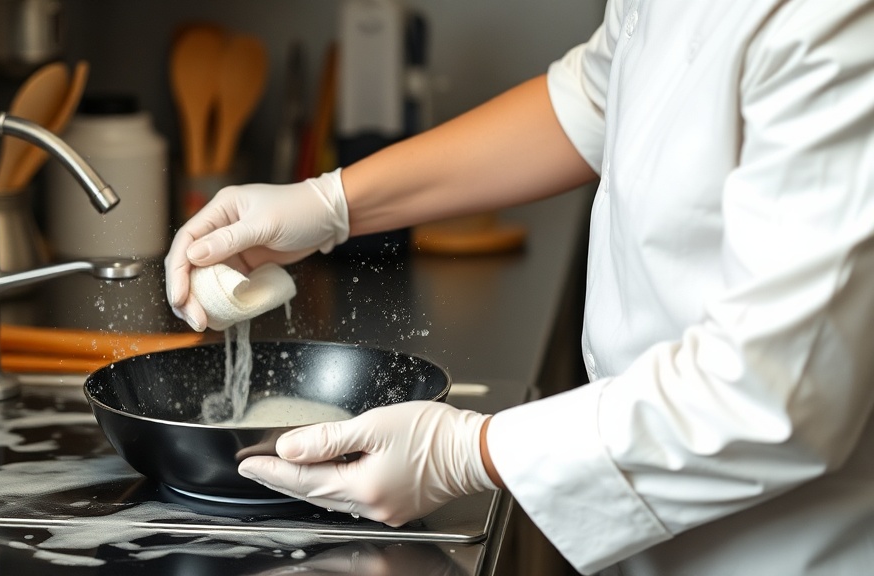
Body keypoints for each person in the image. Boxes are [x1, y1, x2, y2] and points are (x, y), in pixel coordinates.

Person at [165, 0, 874, 573]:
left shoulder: (835, 21)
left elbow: (779, 391)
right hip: (655, 511)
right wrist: (329, 202)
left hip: (792, 546)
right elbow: (596, 94)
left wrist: (467, 453)